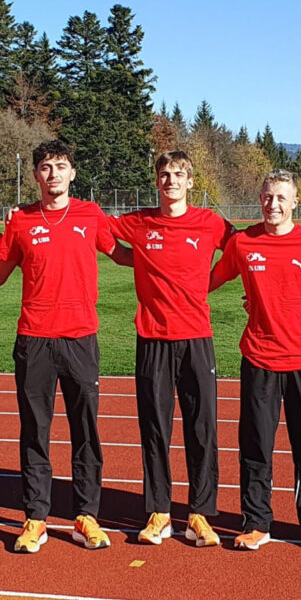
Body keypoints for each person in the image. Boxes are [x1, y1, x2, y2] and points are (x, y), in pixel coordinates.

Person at [0, 140, 132, 552]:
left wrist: (171, 261)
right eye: (46, 167)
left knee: (86, 432)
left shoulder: (90, 214)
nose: (54, 174)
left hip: (81, 339)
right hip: (34, 340)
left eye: (61, 166)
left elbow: (122, 255)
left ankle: (86, 516)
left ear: (73, 173)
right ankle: (35, 518)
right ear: (36, 175)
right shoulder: (21, 221)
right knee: (35, 432)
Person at [208, 170, 301, 552]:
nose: (273, 205)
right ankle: (256, 522)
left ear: (296, 201)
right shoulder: (243, 244)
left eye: (281, 198)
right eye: (267, 197)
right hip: (259, 358)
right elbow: (204, 283)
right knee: (255, 445)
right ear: (260, 198)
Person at [109, 150, 234, 548]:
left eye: (178, 175)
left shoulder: (211, 223)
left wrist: (206, 285)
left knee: (202, 429)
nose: (171, 181)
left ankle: (199, 513)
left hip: (197, 337)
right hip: (152, 338)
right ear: (157, 181)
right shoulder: (139, 221)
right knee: (155, 429)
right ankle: (160, 511)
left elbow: (245, 250)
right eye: (164, 175)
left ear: (190, 182)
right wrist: (136, 260)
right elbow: (99, 234)